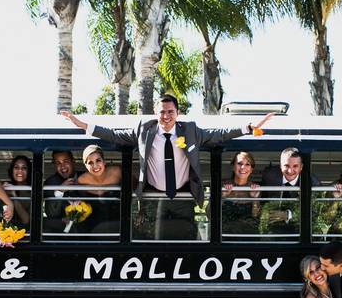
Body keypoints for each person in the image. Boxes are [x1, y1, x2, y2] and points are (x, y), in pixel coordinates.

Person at [61, 95, 272, 239]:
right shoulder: (144, 130)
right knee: (155, 237)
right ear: (156, 113)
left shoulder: (190, 131)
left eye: (170, 111)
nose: (166, 116)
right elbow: (114, 135)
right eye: (162, 112)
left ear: (177, 113)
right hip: (154, 195)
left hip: (183, 194)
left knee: (186, 236)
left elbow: (219, 135)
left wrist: (248, 127)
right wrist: (83, 125)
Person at [260, 147, 309, 235]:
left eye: (295, 166)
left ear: (301, 167)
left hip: (300, 229)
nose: (290, 171)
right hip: (273, 225)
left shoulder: (312, 182)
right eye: (286, 166)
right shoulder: (269, 176)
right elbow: (263, 200)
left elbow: (314, 211)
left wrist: (287, 215)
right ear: (280, 165)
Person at [76, 145, 122, 233]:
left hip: (118, 222)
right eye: (90, 163)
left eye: (98, 160)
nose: (95, 166)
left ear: (104, 161)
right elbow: (78, 202)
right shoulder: (82, 180)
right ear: (85, 166)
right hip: (91, 225)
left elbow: (135, 187)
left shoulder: (117, 172)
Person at [221, 151, 261, 237]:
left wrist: (255, 199)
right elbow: (209, 214)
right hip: (225, 237)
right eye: (239, 163)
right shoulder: (222, 186)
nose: (243, 167)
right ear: (233, 167)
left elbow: (256, 216)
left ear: (251, 169)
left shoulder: (255, 188)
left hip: (249, 237)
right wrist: (222, 197)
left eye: (248, 164)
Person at [43, 150, 78, 219]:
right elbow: (51, 214)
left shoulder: (85, 177)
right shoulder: (50, 183)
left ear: (73, 161)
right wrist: (59, 191)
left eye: (66, 161)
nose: (62, 166)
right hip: (61, 227)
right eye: (58, 163)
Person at [2, 155, 32, 225]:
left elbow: (26, 220)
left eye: (24, 168)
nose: (20, 170)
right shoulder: (6, 186)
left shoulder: (33, 190)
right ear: (12, 171)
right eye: (16, 167)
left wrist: (14, 195)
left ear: (29, 171)